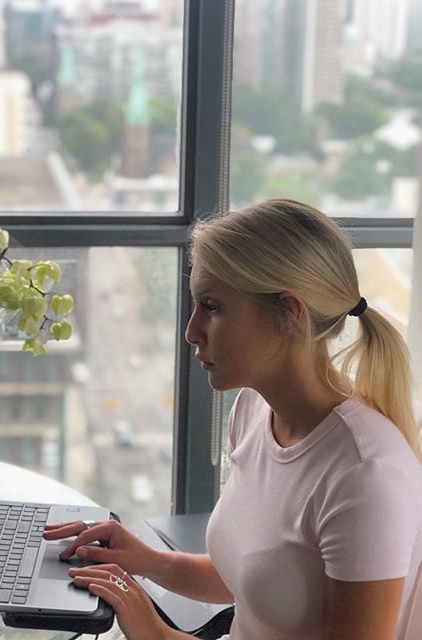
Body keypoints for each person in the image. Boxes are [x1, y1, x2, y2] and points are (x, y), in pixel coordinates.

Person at [44, 199, 422, 640]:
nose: (192, 331)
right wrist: (145, 559)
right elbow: (256, 582)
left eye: (212, 307)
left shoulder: (365, 475)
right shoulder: (253, 411)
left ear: (289, 312)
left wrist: (158, 634)